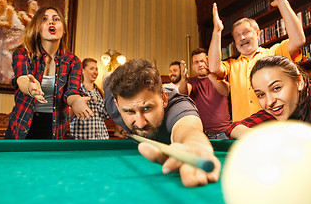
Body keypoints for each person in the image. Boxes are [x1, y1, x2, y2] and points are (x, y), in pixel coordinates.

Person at [104, 59, 221, 187]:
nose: (141, 123)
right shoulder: (112, 103)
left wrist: (195, 144)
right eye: (129, 112)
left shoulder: (177, 105)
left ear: (163, 99)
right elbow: (106, 77)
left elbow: (188, 128)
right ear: (117, 106)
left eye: (147, 108)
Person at [208, 0, 306, 121]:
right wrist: (217, 30)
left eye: (246, 32)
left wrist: (283, 3)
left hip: (273, 128)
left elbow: (298, 40)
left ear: (258, 33)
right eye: (237, 35)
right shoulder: (231, 65)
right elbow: (213, 66)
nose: (241, 37)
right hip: (242, 131)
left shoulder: (273, 54)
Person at [5, 6, 93, 139]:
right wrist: (30, 87)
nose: (51, 22)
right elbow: (22, 78)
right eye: (45, 19)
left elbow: (72, 92)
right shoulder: (23, 53)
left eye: (56, 19)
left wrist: (76, 102)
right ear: (37, 28)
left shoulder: (73, 61)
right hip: (21, 125)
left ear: (63, 30)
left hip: (53, 128)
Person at [227, 55, 311, 139]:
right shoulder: (278, 108)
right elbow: (233, 128)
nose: (269, 102)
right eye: (261, 94)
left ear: (299, 82)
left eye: (276, 88)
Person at [179, 48, 231, 139]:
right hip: (203, 133)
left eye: (202, 61)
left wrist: (210, 74)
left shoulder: (219, 76)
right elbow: (183, 94)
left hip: (224, 132)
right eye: (196, 62)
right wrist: (184, 79)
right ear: (193, 67)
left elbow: (225, 91)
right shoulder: (191, 81)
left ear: (208, 61)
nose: (200, 64)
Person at [69, 58, 109, 140]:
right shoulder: (75, 91)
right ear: (82, 71)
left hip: (102, 138)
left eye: (96, 69)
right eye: (91, 69)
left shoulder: (100, 92)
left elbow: (105, 116)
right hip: (81, 139)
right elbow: (68, 116)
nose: (95, 72)